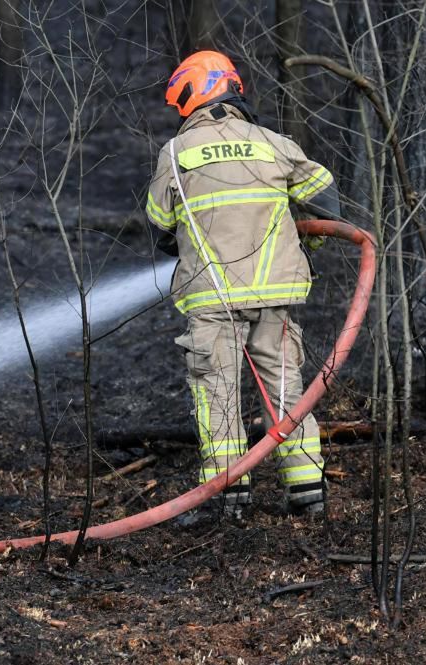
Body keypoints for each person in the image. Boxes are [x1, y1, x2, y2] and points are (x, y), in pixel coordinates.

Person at [145, 50, 342, 520]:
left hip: (211, 299)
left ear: (191, 95)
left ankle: (227, 498)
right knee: (285, 391)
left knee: (217, 395)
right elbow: (327, 200)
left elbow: (159, 224)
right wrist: (304, 247)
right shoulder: (273, 142)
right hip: (275, 297)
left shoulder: (176, 153)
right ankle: (308, 491)